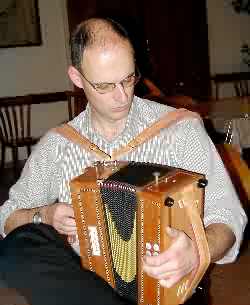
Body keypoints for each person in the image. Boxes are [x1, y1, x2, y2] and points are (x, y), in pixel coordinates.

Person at [0, 17, 247, 305]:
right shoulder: (58, 146)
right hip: (87, 290)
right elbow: (7, 217)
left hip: (165, 293)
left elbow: (229, 216)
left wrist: (196, 251)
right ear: (77, 78)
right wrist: (45, 214)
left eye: (128, 78)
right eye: (105, 86)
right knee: (20, 244)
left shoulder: (180, 130)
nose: (122, 96)